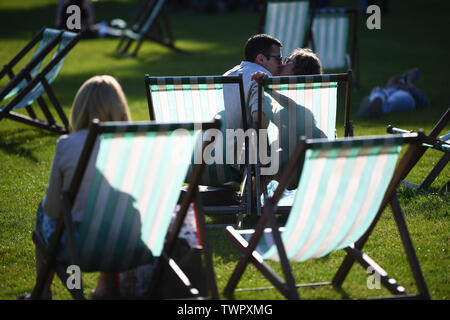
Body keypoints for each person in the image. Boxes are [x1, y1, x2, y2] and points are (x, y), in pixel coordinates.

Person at [20, 75, 131, 300]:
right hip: (128, 240)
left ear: (80, 108)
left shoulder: (68, 145)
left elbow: (53, 210)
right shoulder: (135, 144)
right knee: (111, 217)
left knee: (47, 213)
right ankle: (104, 288)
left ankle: (44, 291)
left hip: (80, 248)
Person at [223, 34, 283, 131]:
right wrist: (264, 144)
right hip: (246, 143)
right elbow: (258, 118)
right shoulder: (260, 77)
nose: (281, 64)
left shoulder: (226, 76)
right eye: (278, 59)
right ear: (261, 59)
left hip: (220, 141)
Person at [356, 67, 429, 118]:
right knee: (378, 90)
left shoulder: (411, 88)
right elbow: (386, 89)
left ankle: (369, 109)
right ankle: (372, 105)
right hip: (390, 91)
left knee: (391, 101)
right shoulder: (396, 82)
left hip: (405, 94)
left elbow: (424, 102)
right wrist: (390, 84)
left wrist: (409, 85)